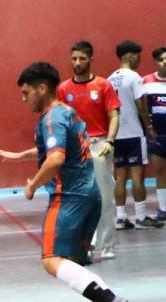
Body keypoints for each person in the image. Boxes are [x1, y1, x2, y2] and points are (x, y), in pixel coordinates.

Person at [0, 61, 137, 302]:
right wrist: (18, 156)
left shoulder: (51, 117)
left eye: (26, 93)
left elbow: (56, 158)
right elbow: (56, 148)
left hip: (69, 198)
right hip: (90, 195)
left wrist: (32, 186)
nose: (24, 99)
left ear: (42, 88)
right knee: (72, 261)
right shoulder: (68, 113)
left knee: (52, 260)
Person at [56, 41, 121, 259]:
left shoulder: (103, 86)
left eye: (82, 58)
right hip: (76, 149)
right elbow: (61, 121)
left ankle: (107, 245)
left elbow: (114, 116)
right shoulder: (64, 89)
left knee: (104, 195)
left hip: (100, 144)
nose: (77, 63)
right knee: (79, 198)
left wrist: (109, 141)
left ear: (91, 60)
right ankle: (85, 243)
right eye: (74, 58)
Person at [107, 41, 163, 229]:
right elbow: (141, 105)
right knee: (138, 175)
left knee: (120, 176)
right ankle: (140, 216)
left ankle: (121, 218)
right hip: (133, 133)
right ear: (130, 56)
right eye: (138, 56)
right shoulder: (134, 77)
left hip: (116, 135)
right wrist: (149, 125)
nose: (139, 60)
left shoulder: (110, 79)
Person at [141, 46, 166, 221]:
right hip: (157, 135)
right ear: (155, 62)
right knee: (160, 171)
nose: (165, 62)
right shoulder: (146, 81)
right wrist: (148, 127)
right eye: (161, 59)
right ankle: (163, 208)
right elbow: (140, 107)